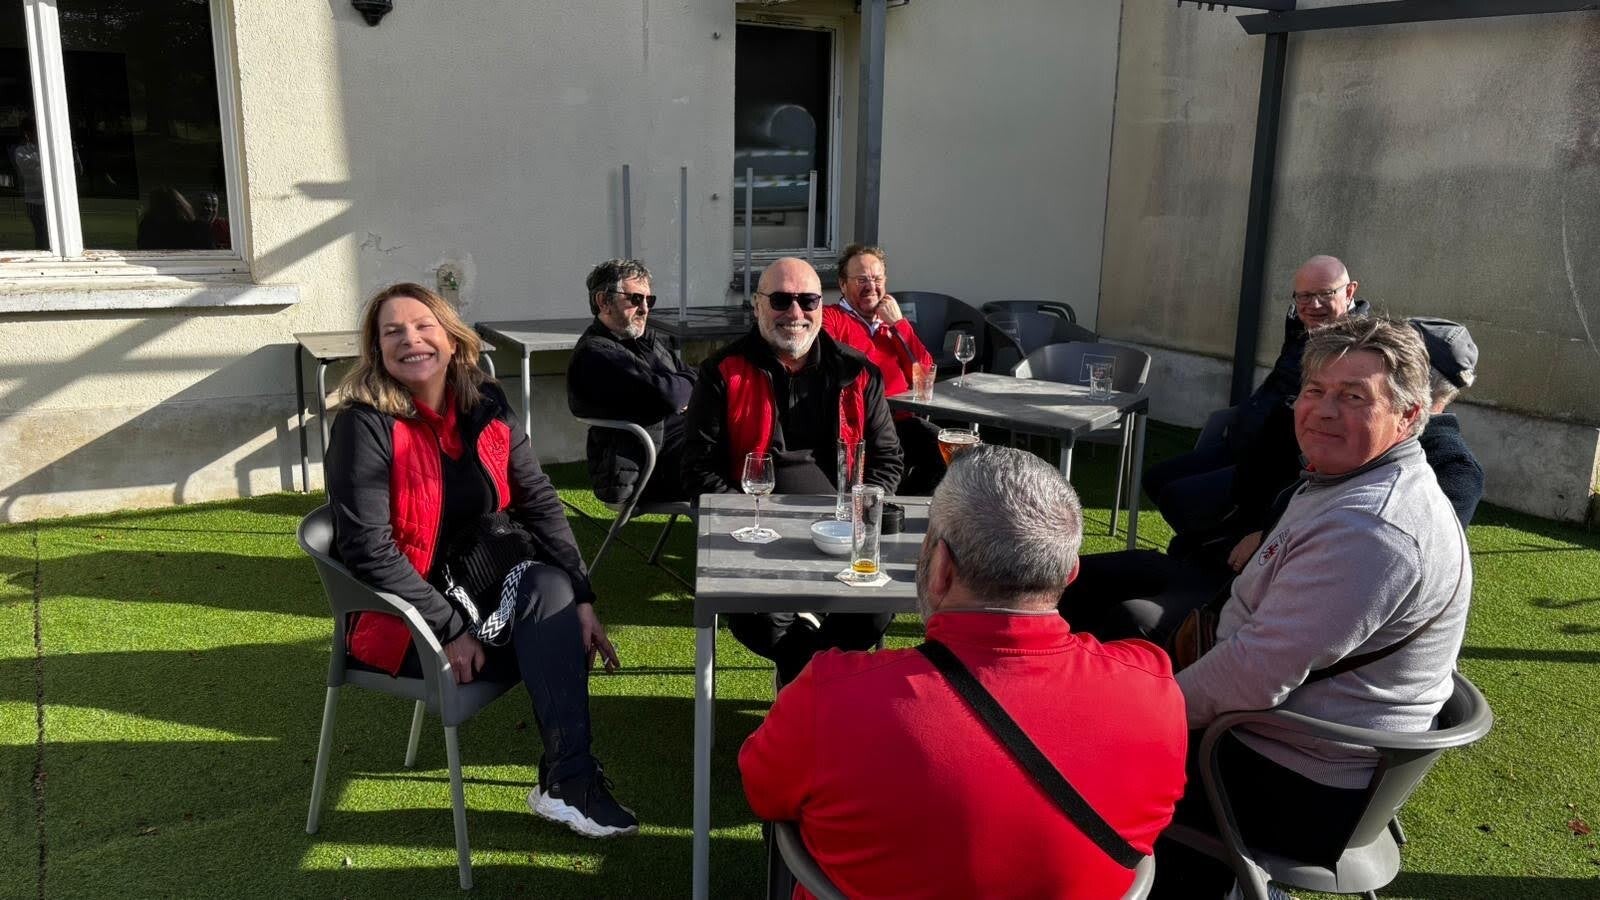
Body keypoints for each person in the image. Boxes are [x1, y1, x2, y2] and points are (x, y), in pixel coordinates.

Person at [740, 446, 1188, 899]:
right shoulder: (1154, 693)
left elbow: (763, 789)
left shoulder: (831, 697)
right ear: (1070, 573)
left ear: (941, 567)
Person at [1152, 316, 1472, 897]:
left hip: (1296, 779)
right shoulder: (1350, 480)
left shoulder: (1370, 529)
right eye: (1315, 390)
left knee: (1083, 755)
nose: (1322, 411)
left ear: (1409, 416)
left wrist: (1142, 714)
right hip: (1306, 745)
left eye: (1354, 397)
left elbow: (1252, 675)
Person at [325, 282, 638, 839]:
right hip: (409, 621)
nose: (410, 339)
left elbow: (537, 499)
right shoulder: (364, 424)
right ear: (376, 351)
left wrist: (583, 596)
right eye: (392, 332)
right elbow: (367, 549)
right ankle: (569, 781)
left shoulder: (485, 403)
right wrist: (447, 628)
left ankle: (567, 781)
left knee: (554, 592)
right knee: (553, 628)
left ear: (451, 339)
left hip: (486, 590)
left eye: (424, 326)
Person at [682, 256, 904, 682]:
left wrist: (859, 514)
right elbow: (698, 470)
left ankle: (801, 686)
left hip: (843, 533)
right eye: (781, 300)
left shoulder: (858, 372)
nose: (796, 313)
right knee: (763, 620)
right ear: (757, 306)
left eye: (808, 300)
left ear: (822, 306)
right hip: (759, 533)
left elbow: (888, 459)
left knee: (875, 611)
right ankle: (817, 690)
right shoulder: (722, 373)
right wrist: (753, 521)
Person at [1144, 255, 1368, 542]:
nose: (1313, 305)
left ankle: (1224, 547)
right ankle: (1212, 543)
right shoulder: (1305, 327)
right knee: (1155, 479)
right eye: (1304, 296)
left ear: (1349, 291)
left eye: (1325, 294)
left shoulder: (1355, 348)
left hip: (1276, 464)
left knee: (1178, 499)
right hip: (1242, 442)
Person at [567, 258, 696, 503]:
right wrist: (682, 389)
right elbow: (669, 396)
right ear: (604, 301)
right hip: (643, 469)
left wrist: (683, 386)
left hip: (675, 452)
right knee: (735, 464)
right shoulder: (596, 354)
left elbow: (696, 378)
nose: (645, 309)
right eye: (636, 299)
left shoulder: (645, 342)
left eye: (649, 300)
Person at [820, 243, 944, 494]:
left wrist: (899, 324)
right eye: (861, 280)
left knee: (950, 452)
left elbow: (925, 373)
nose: (871, 286)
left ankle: (908, 505)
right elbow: (826, 359)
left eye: (877, 279)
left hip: (900, 421)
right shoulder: (831, 317)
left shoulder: (892, 324)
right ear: (843, 284)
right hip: (858, 426)